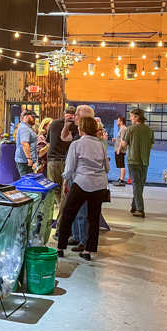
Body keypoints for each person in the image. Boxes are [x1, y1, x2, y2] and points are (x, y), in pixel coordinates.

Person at [57, 116, 110, 261]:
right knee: (93, 218)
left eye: (79, 126)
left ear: (83, 128)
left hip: (81, 183)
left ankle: (60, 248)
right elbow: (107, 168)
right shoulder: (101, 146)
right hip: (99, 185)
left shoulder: (76, 144)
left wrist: (66, 182)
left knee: (68, 214)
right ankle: (88, 251)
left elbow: (69, 168)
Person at [120, 108, 154, 218]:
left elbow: (124, 144)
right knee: (140, 185)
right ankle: (134, 206)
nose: (130, 118)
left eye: (131, 116)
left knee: (136, 185)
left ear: (137, 117)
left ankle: (140, 209)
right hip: (145, 161)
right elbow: (151, 145)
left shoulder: (130, 129)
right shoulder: (149, 130)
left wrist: (121, 141)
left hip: (133, 160)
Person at [14, 110, 38, 177]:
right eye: (33, 117)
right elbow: (24, 143)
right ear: (27, 116)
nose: (34, 119)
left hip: (25, 161)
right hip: (25, 161)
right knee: (26, 182)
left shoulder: (26, 127)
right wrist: (29, 158)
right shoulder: (24, 128)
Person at [112, 116, 127, 186]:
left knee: (121, 165)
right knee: (120, 165)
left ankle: (122, 180)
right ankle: (120, 178)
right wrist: (115, 140)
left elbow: (122, 140)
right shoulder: (121, 129)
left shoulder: (123, 129)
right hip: (119, 149)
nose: (117, 122)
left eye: (118, 121)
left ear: (121, 122)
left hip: (120, 150)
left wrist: (118, 150)